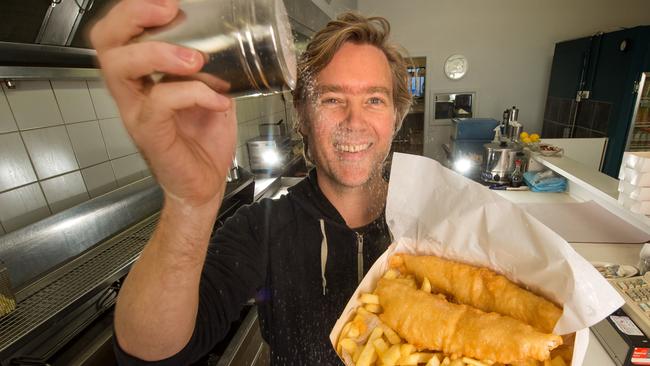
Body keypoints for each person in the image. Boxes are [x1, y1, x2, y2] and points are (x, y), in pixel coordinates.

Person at [90, 0, 412, 364]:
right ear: (302, 115)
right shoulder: (261, 228)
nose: (354, 120)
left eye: (373, 99)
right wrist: (189, 204)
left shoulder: (432, 217)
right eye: (331, 98)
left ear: (396, 117)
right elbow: (151, 353)